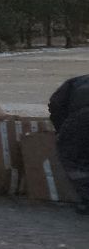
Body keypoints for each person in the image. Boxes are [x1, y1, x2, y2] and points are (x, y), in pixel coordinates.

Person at [47, 74, 89, 214]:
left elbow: (55, 104)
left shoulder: (74, 83)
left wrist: (61, 129)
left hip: (81, 119)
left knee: (73, 161)